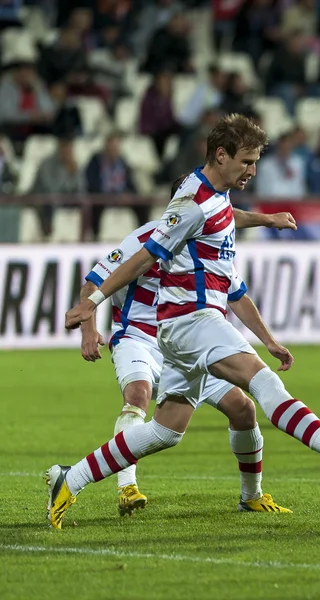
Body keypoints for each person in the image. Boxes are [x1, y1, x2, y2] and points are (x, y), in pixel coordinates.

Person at [47, 114, 320, 529]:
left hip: (181, 327)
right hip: (190, 320)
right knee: (261, 381)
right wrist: (94, 301)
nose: (253, 171)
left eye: (256, 162)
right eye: (246, 162)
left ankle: (71, 478)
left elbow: (226, 222)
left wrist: (266, 219)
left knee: (166, 430)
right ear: (221, 155)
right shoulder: (192, 205)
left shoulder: (216, 196)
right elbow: (144, 257)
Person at [80, 176, 300, 516]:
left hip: (186, 343)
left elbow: (236, 295)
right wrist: (89, 330)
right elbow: (94, 281)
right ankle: (127, 487)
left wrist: (269, 341)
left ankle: (251, 496)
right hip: (138, 337)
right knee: (137, 394)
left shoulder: (207, 244)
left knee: (243, 409)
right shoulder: (143, 239)